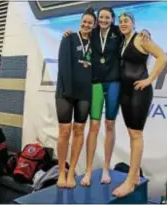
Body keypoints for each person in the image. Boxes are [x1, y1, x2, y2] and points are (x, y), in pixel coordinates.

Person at [64, 7, 150, 186]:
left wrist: (146, 32)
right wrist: (68, 33)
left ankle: (105, 168)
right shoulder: (93, 32)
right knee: (94, 126)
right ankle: (88, 171)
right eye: (101, 17)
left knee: (110, 124)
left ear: (112, 20)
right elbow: (81, 34)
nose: (103, 20)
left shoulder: (118, 32)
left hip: (114, 83)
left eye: (107, 17)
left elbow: (132, 32)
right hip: (95, 82)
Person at [112, 12, 167, 198]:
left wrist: (149, 79)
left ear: (134, 24)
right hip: (125, 92)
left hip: (139, 92)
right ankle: (135, 175)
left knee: (136, 134)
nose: (122, 24)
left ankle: (130, 181)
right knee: (131, 133)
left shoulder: (141, 39)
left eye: (126, 21)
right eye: (120, 21)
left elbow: (162, 57)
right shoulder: (121, 40)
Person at [55, 7, 96, 188]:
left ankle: (71, 172)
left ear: (94, 25)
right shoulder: (69, 38)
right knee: (64, 131)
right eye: (84, 21)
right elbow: (63, 64)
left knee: (79, 131)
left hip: (85, 92)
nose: (87, 25)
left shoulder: (96, 44)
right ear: (80, 22)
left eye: (90, 22)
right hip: (66, 91)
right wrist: (67, 89)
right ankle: (61, 172)